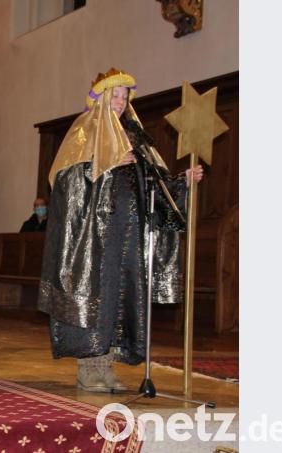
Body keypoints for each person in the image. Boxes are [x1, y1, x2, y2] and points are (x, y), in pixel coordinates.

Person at [37, 68, 203, 393]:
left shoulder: (135, 135)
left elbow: (155, 183)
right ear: (99, 99)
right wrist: (107, 164)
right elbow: (64, 181)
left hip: (129, 236)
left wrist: (182, 181)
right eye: (114, 95)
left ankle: (108, 368)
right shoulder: (84, 131)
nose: (120, 101)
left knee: (121, 299)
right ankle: (89, 369)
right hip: (95, 237)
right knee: (96, 297)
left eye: (125, 96)